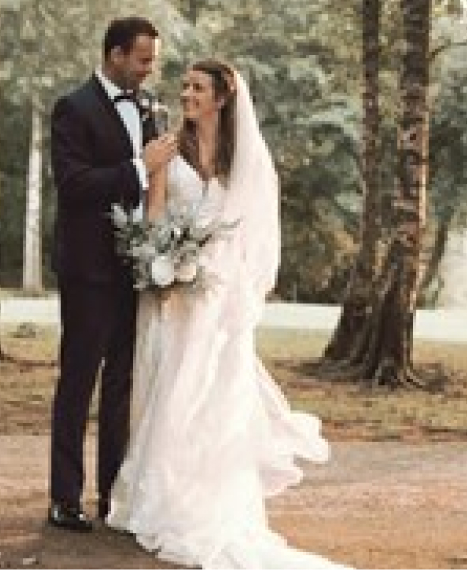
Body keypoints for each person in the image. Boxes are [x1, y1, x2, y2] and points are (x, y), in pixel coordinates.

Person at [107, 58, 345, 569]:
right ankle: (157, 494)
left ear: (221, 98)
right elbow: (154, 213)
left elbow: (254, 236)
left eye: (197, 88)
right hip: (172, 293)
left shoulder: (245, 160)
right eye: (185, 86)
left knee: (214, 394)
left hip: (219, 296)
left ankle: (206, 493)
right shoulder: (169, 150)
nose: (186, 94)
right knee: (171, 388)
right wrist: (157, 265)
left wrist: (239, 290)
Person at [46, 17, 178, 533]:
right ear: (116, 55)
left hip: (133, 270)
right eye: (144, 59)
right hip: (87, 271)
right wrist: (140, 167)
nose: (150, 70)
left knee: (123, 385)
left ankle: (112, 497)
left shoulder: (147, 107)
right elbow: (74, 184)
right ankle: (64, 498)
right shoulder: (72, 109)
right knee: (78, 382)